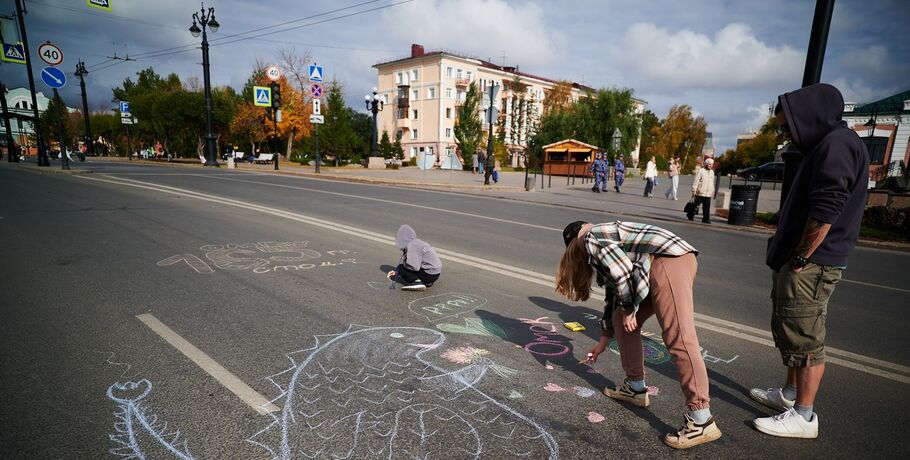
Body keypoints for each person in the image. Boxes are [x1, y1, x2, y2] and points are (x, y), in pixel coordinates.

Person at [750, 84, 868, 439]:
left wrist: (801, 256)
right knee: (791, 327)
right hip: (804, 259)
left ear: (807, 117)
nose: (786, 133)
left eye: (788, 126)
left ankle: (804, 415)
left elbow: (827, 208)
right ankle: (789, 395)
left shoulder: (836, 145)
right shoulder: (826, 144)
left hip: (813, 263)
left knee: (804, 335)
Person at [556, 220, 721, 449]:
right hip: (660, 263)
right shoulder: (600, 235)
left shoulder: (590, 238)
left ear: (573, 244)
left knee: (679, 338)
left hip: (669, 261)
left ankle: (702, 419)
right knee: (621, 321)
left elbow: (621, 272)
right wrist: (604, 337)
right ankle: (635, 388)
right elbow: (614, 293)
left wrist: (628, 309)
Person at [389, 224, 442, 291]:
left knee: (402, 267)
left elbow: (414, 267)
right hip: (435, 273)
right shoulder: (416, 242)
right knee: (402, 268)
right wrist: (397, 272)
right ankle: (426, 282)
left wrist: (400, 270)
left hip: (429, 274)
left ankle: (417, 282)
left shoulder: (412, 245)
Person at [688, 158, 715, 223]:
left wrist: (712, 190)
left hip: (708, 193)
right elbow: (696, 180)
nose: (710, 166)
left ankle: (706, 218)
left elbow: (712, 182)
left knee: (707, 207)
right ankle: (690, 215)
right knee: (696, 204)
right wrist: (694, 189)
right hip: (700, 192)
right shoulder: (701, 171)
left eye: (711, 164)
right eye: (709, 164)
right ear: (706, 164)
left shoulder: (712, 172)